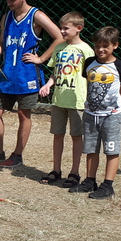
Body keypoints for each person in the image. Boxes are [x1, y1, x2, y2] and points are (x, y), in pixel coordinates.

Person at [0, 0, 63, 167]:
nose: (9, 3)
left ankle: (17, 155)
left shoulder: (36, 15)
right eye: (7, 0)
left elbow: (60, 37)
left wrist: (41, 58)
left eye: (12, 0)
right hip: (8, 74)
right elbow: (2, 43)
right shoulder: (7, 17)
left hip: (26, 76)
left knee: (24, 115)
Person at [68, 26, 121, 199]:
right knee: (91, 148)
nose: (100, 50)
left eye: (105, 46)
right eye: (97, 46)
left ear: (115, 45)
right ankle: (90, 181)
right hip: (90, 114)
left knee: (111, 150)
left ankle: (108, 185)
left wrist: (111, 106)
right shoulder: (89, 63)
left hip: (111, 116)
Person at [38, 12, 94, 188]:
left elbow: (91, 76)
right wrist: (48, 84)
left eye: (65, 28)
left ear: (79, 28)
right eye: (61, 28)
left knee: (76, 136)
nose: (61, 31)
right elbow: (55, 72)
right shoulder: (59, 48)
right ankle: (56, 170)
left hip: (77, 101)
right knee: (57, 135)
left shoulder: (86, 50)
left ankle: (74, 172)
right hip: (59, 99)